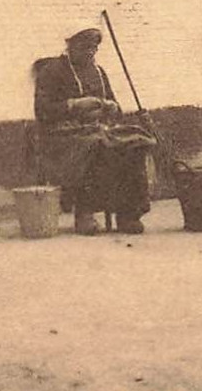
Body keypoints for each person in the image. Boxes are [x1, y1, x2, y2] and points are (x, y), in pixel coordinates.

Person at [33, 28, 155, 236]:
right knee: (97, 147)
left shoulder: (98, 72)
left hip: (97, 129)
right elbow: (42, 111)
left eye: (94, 48)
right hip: (62, 134)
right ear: (70, 45)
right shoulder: (52, 71)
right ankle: (85, 213)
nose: (90, 52)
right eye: (85, 47)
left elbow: (115, 108)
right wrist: (74, 105)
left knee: (134, 143)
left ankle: (128, 213)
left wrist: (111, 107)